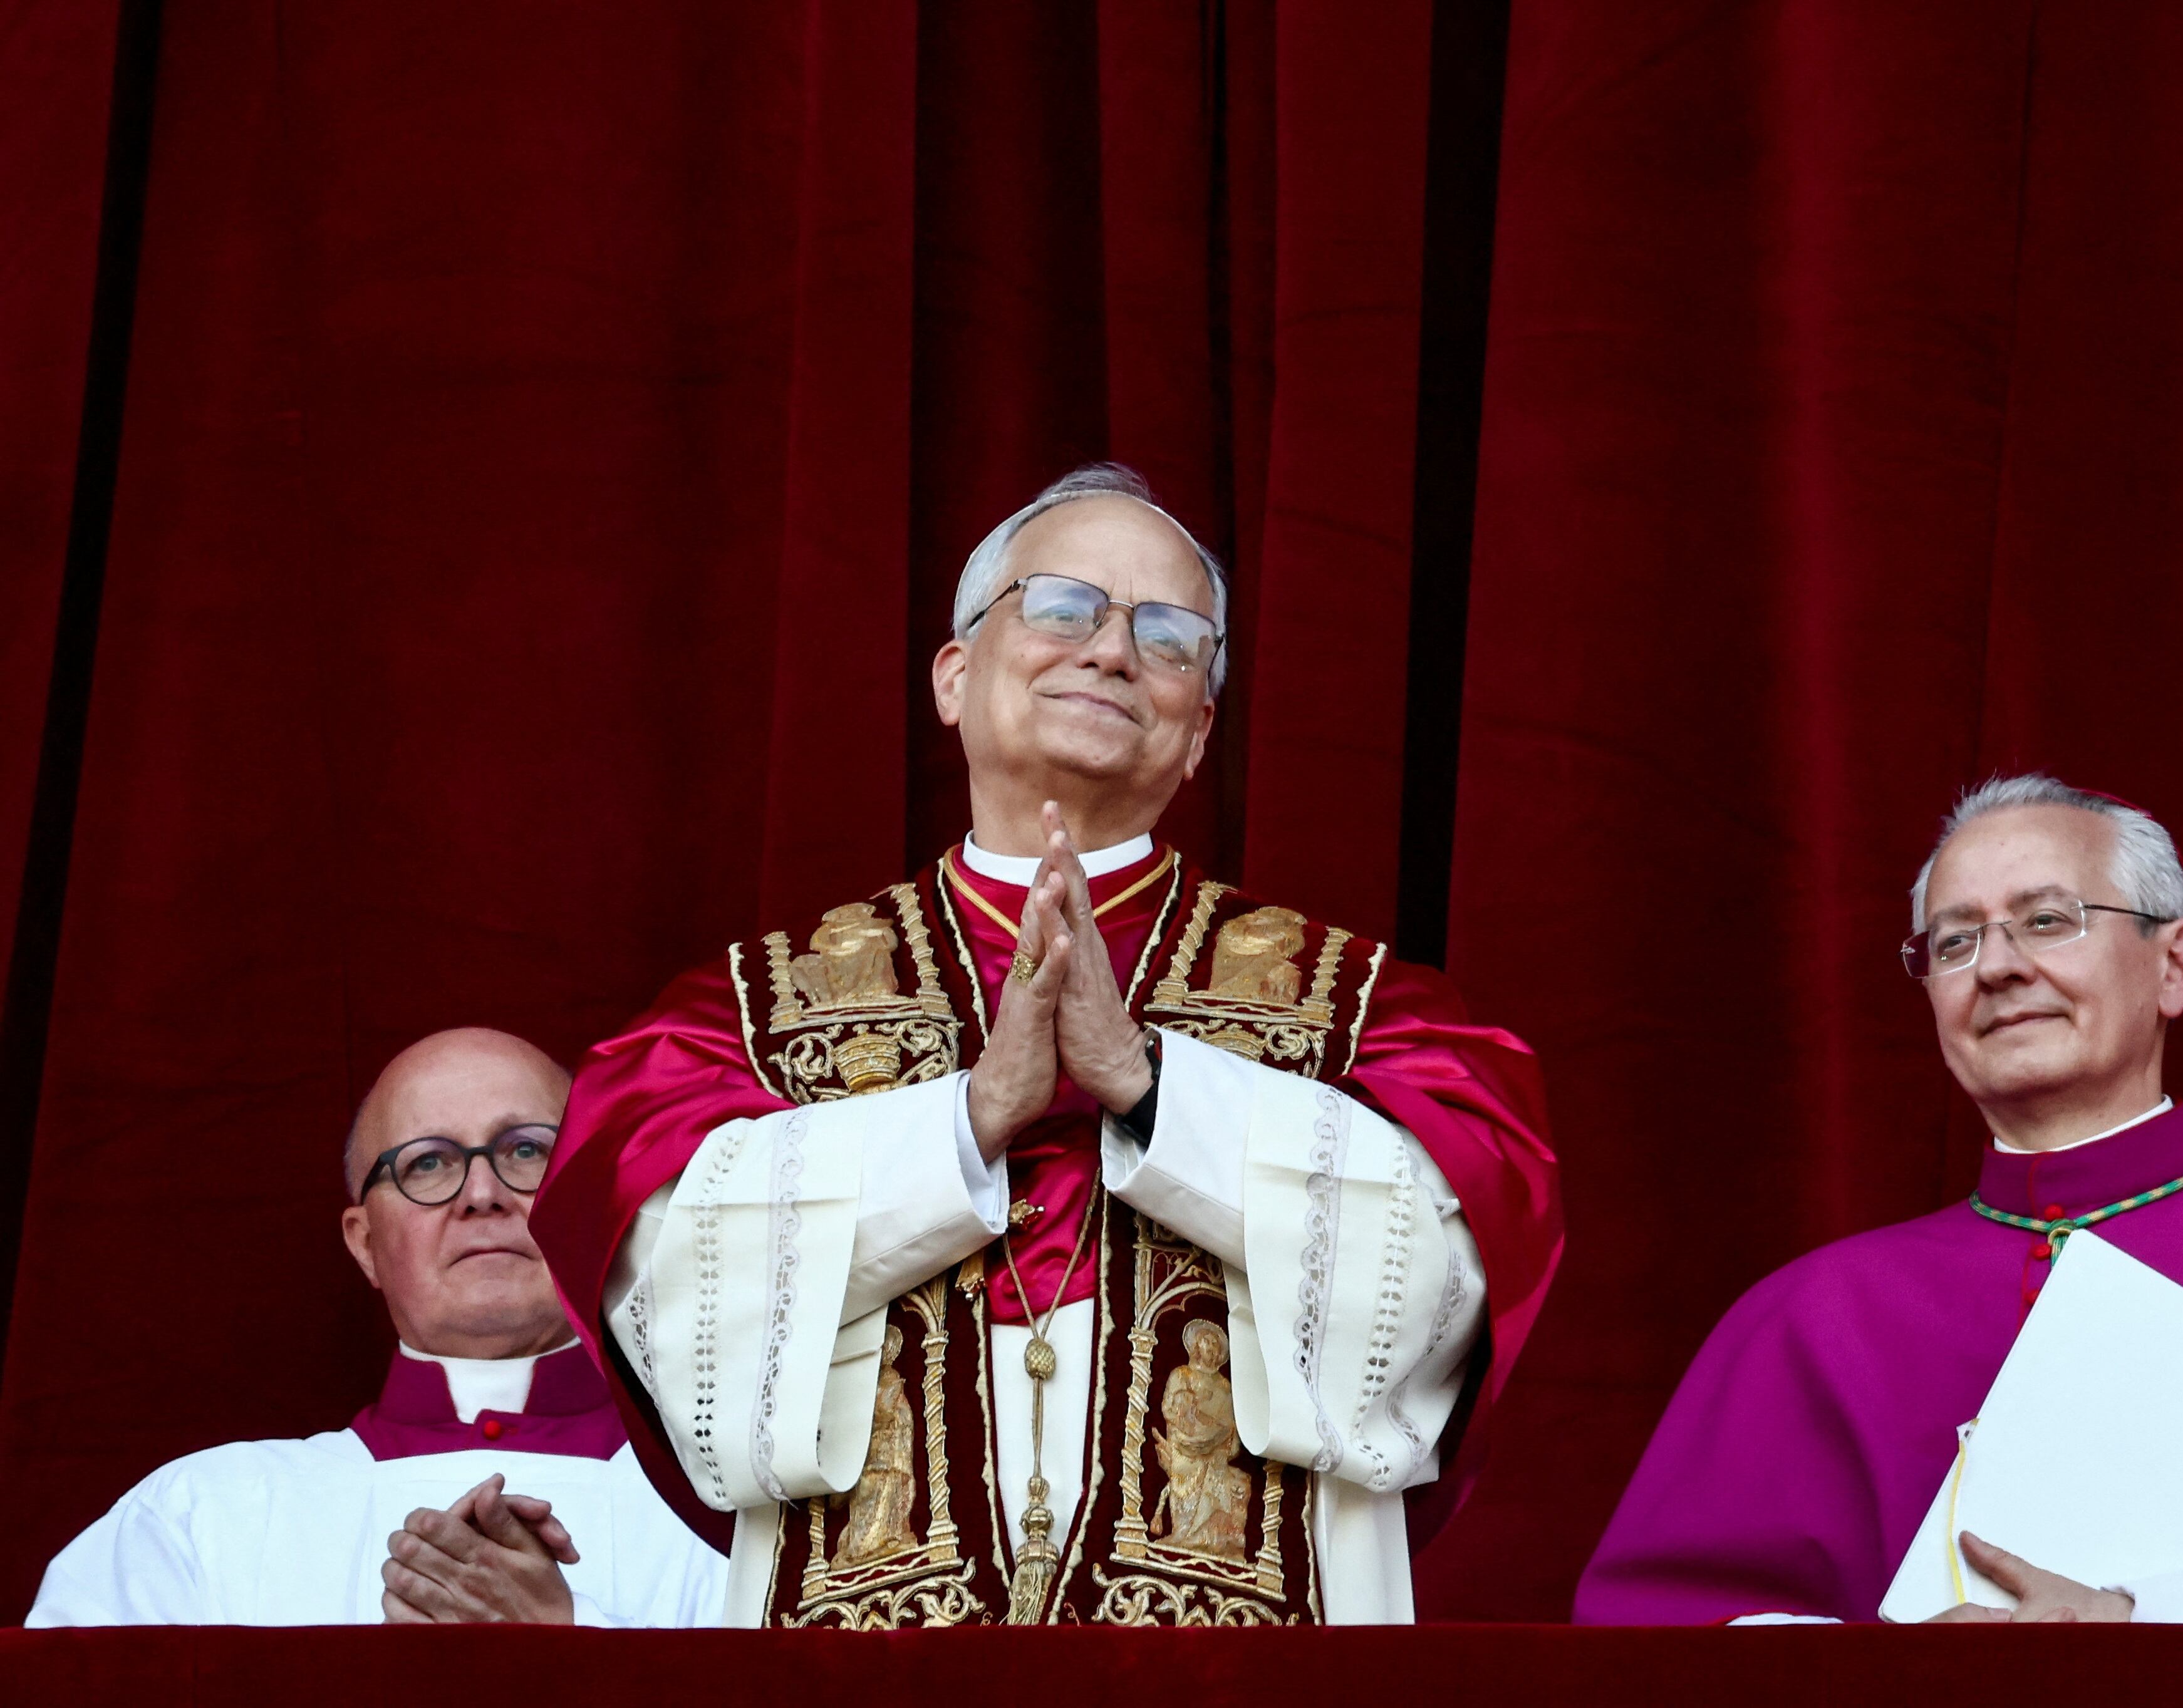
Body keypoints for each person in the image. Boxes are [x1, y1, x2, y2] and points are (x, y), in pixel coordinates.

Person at [535, 464, 1562, 1628]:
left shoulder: (1366, 1010)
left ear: (1199, 734)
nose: (1114, 650)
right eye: (1065, 607)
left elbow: (1443, 1281)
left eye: (1171, 638)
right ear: (955, 677)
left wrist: (1149, 1086)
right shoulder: (748, 1014)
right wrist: (968, 1119)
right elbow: (665, 1289)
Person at [1575, 774, 2183, 1627]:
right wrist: (1893, 1674)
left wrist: (2141, 1621)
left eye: (2047, 919)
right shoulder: (1805, 1316)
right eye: (1955, 941)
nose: (1996, 967)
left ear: (2176, 964)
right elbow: (1655, 1642)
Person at [27, 1028, 725, 1627]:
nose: (481, 1196)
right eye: (428, 1163)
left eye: (525, 1151)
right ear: (364, 1243)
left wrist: (571, 1655)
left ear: (594, 1201)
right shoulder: (195, 1520)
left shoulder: (740, 1518)